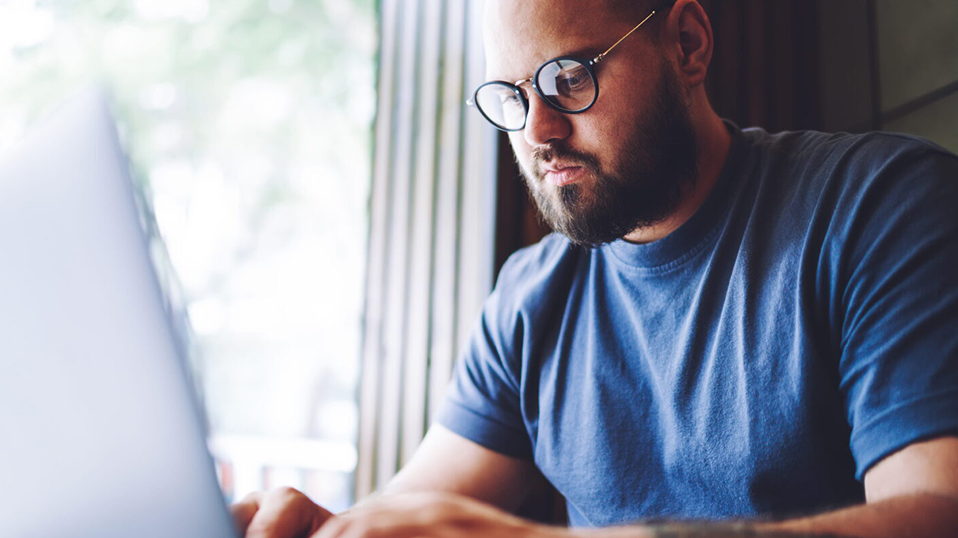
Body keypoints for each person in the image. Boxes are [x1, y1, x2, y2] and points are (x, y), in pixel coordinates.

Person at [232, 0, 958, 536]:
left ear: (688, 43)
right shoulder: (530, 298)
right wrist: (318, 527)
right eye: (511, 98)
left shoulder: (880, 206)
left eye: (568, 78)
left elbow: (936, 515)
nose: (539, 130)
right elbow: (410, 515)